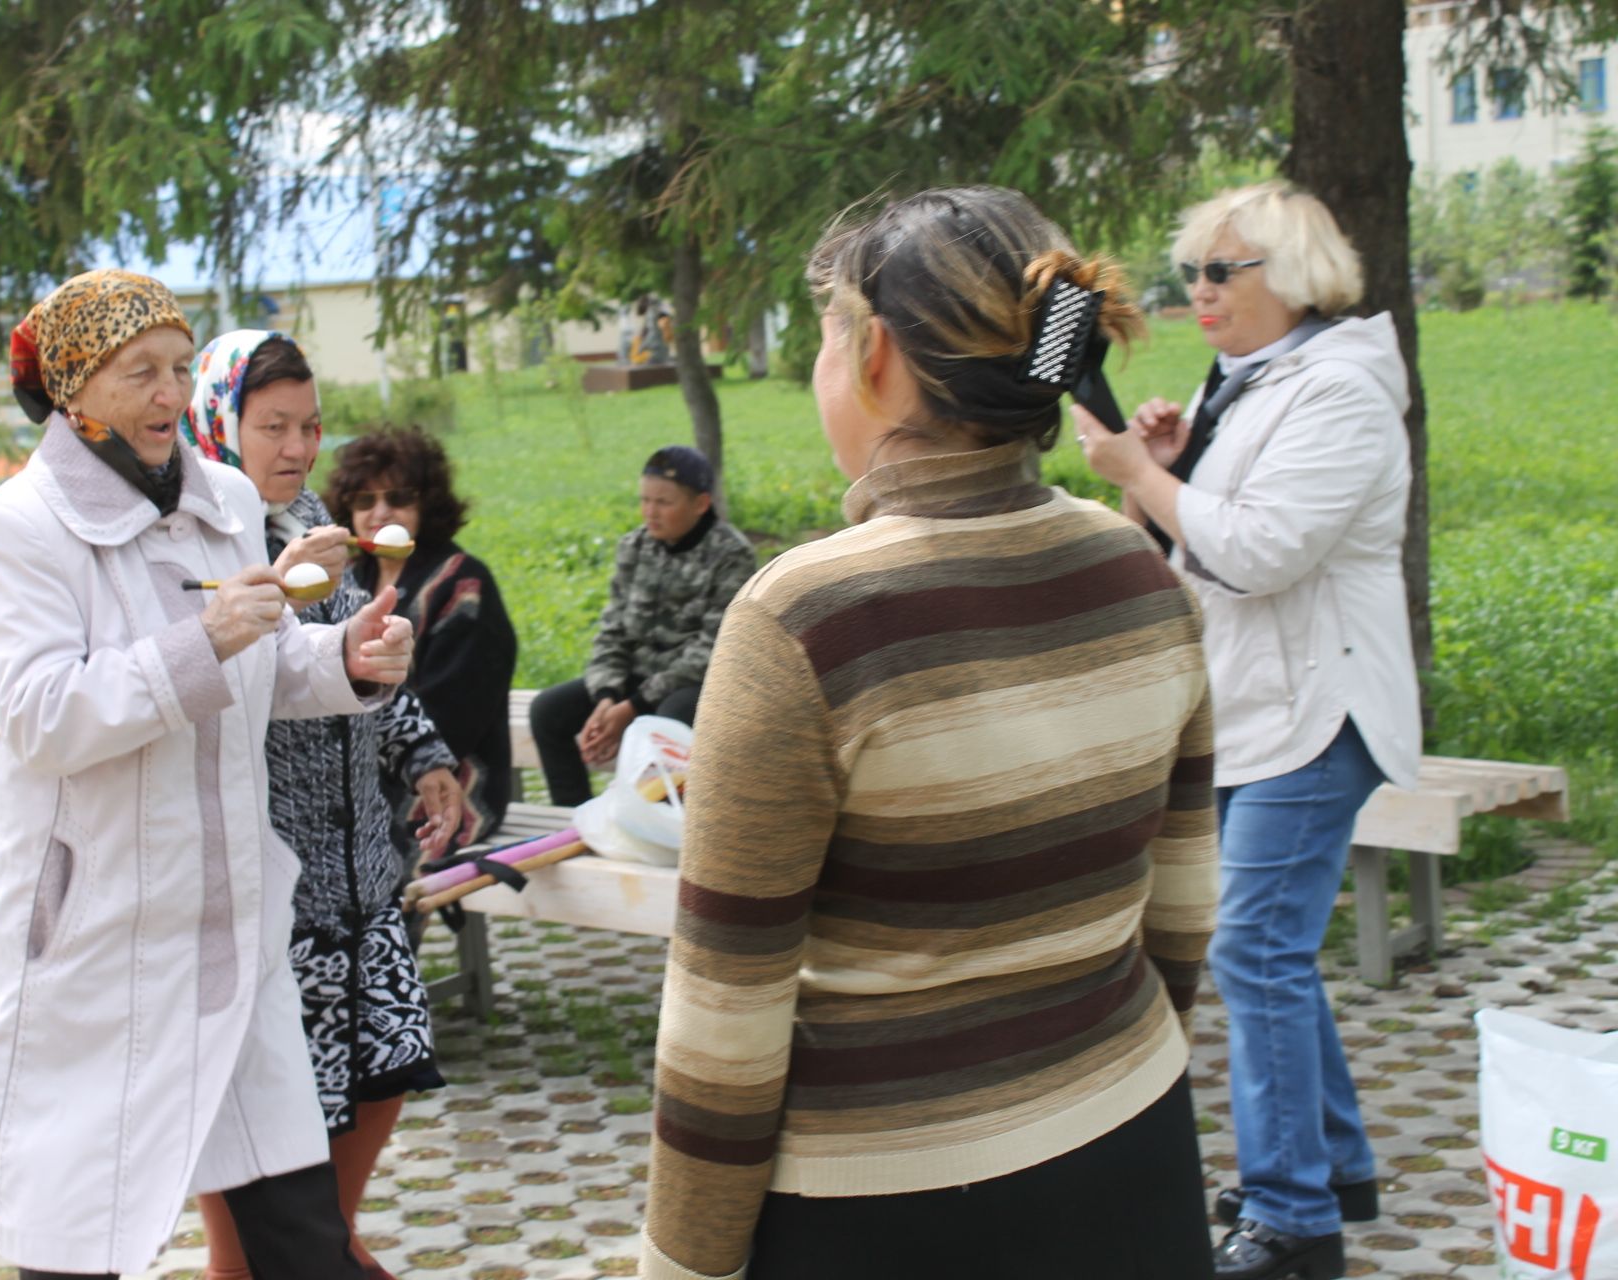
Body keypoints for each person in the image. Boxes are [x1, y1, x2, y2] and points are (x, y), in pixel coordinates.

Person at [639, 186, 1219, 1280]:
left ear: (874, 355)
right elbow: (1183, 908)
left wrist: (685, 1261)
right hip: (1133, 1151)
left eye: (823, 342)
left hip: (883, 1208)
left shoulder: (807, 616)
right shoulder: (1141, 572)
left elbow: (729, 1006)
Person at [0, 270, 414, 1280]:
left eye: (177, 368)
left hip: (227, 940)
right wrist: (201, 640)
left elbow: (258, 666)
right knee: (72, 1249)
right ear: (77, 390)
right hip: (93, 941)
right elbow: (41, 717)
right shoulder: (20, 527)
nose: (169, 394)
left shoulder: (228, 502)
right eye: (140, 373)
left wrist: (344, 659)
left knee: (301, 1240)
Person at [1077, 180, 1421, 1280]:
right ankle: (1337, 1164)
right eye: (1192, 272)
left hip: (1321, 709)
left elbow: (1262, 551)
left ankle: (1292, 1222)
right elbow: (1186, 540)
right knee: (1267, 949)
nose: (1200, 291)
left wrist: (1141, 477)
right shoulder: (1245, 381)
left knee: (1253, 952)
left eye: (1224, 270)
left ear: (1298, 275)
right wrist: (1164, 470)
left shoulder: (1343, 391)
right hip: (1256, 710)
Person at [182, 331, 461, 1280]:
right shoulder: (190, 540)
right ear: (219, 420)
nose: (297, 448)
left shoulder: (312, 519)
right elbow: (195, 676)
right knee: (264, 1118)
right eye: (273, 427)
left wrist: (423, 753)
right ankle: (273, 1261)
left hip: (360, 876)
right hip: (265, 890)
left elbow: (362, 647)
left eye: (308, 425)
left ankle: (326, 1246)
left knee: (387, 1065)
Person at [528, 445, 754, 807]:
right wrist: (606, 697)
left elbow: (712, 649)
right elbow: (612, 630)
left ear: (700, 504)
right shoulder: (633, 547)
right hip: (633, 685)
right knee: (548, 711)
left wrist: (633, 706)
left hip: (694, 687)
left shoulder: (731, 555)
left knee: (668, 722)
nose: (650, 512)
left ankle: (666, 824)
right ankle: (574, 816)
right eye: (645, 500)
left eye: (664, 502)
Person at [331, 428, 518, 847]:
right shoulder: (347, 581)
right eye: (364, 500)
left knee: (357, 857)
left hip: (451, 787)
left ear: (426, 503)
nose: (380, 512)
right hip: (364, 777)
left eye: (398, 498)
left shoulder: (464, 587)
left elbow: (452, 720)